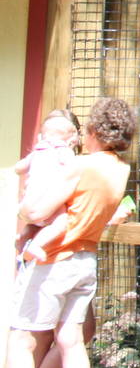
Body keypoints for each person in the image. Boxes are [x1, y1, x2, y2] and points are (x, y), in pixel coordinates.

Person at [6, 97, 135, 368]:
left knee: (22, 340)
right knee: (72, 339)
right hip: (85, 260)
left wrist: (22, 207)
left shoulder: (82, 166)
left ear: (92, 130)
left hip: (54, 259)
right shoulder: (121, 168)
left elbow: (36, 211)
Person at [11, 111, 79, 262]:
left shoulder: (37, 152)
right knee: (61, 221)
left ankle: (21, 241)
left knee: (31, 226)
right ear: (71, 140)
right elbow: (75, 169)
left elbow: (18, 168)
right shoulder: (64, 151)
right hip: (48, 206)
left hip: (27, 205)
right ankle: (36, 245)